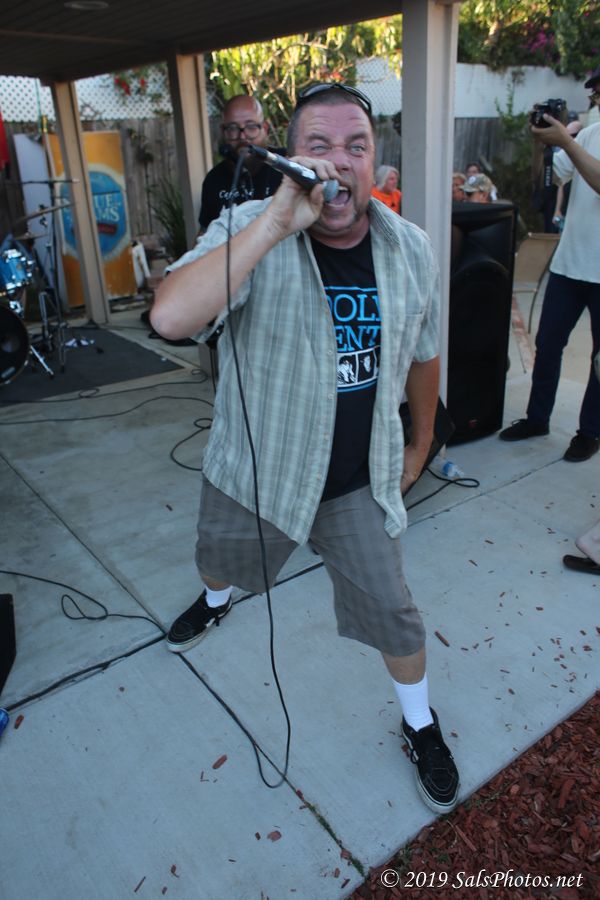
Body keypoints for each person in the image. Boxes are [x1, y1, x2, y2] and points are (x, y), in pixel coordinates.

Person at [151, 82, 460, 814]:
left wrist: (420, 444)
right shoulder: (251, 226)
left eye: (356, 146)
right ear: (292, 159)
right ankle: (215, 599)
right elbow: (169, 318)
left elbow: (424, 353)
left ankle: (419, 724)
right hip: (261, 472)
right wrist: (274, 223)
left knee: (395, 612)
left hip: (356, 481)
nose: (339, 161)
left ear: (374, 161)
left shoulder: (410, 248)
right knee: (218, 560)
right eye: (319, 145)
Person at [499, 67, 600, 462]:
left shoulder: (579, 140)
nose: (596, 98)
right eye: (595, 93)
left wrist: (567, 142)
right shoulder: (589, 135)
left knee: (598, 359)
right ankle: (537, 419)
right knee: (548, 344)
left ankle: (590, 432)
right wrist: (540, 144)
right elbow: (544, 183)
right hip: (568, 265)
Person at [198, 94, 284, 232]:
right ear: (223, 132)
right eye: (233, 128)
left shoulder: (287, 165)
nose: (243, 137)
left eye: (251, 127)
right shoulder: (214, 180)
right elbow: (206, 233)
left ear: (265, 129)